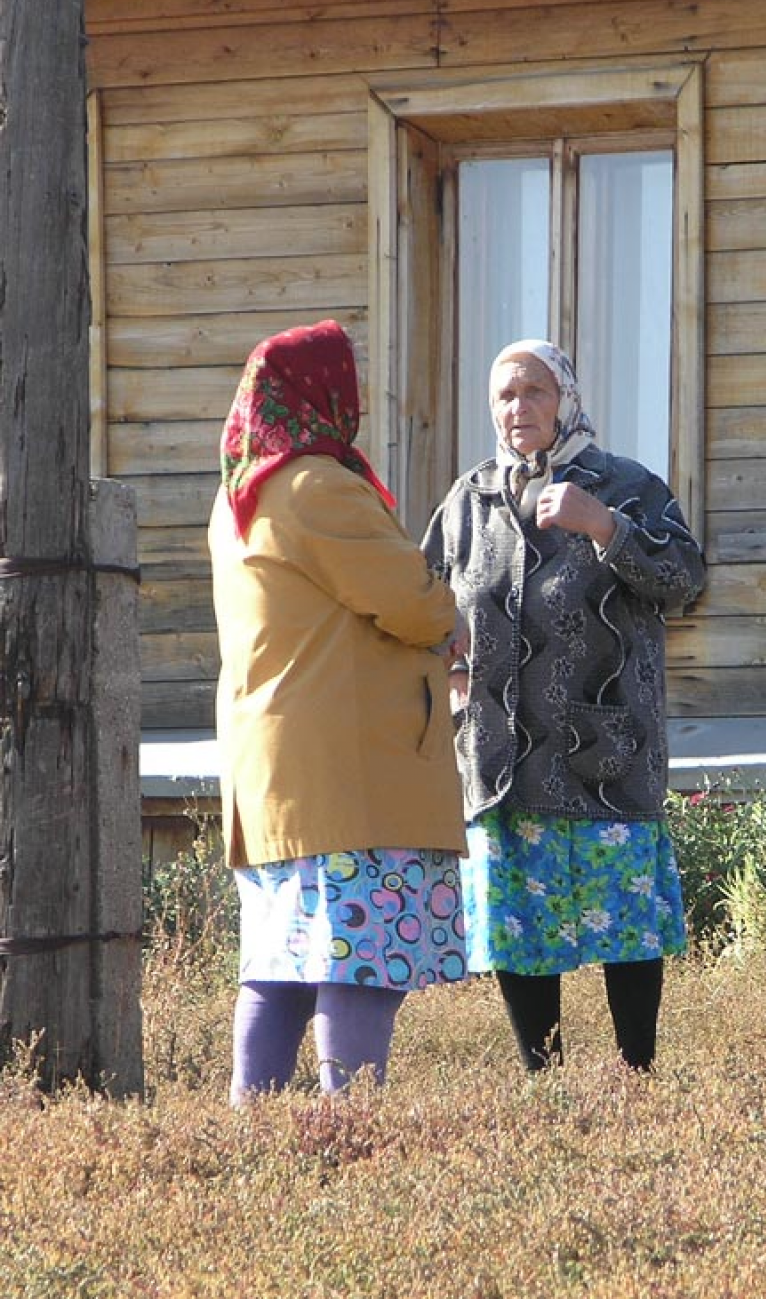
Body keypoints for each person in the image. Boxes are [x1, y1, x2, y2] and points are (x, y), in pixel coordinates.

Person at [423, 339, 705, 1073]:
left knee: (629, 927)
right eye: (506, 396)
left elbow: (683, 579)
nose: (519, 409)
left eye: (535, 392)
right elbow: (422, 602)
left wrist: (602, 526)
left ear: (567, 399)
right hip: (504, 758)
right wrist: (450, 680)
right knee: (518, 925)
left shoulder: (625, 485)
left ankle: (635, 1077)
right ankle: (541, 1081)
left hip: (604, 756)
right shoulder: (469, 501)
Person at [209, 320, 470, 1104]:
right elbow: (411, 603)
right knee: (363, 957)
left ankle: (251, 1129)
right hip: (348, 768)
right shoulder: (317, 484)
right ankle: (348, 1123)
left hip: (282, 769)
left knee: (280, 965)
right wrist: (450, 615)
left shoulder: (240, 496)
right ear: (322, 394)